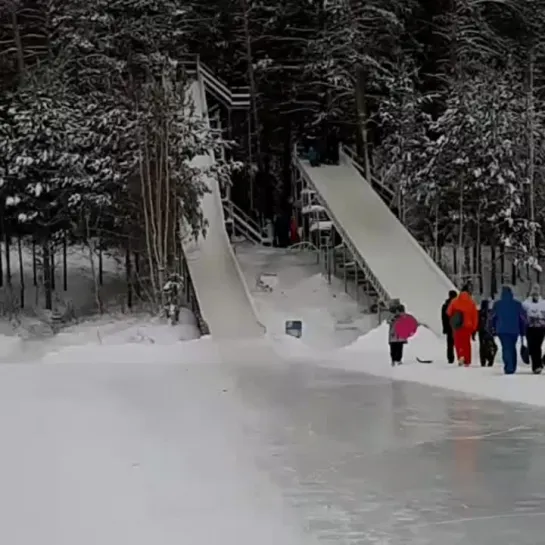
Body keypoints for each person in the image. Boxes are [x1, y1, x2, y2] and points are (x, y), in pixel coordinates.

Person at [491, 285, 526, 375]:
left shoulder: (497, 304)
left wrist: (492, 328)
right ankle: (512, 366)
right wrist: (523, 330)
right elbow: (523, 318)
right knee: (512, 347)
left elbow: (492, 318)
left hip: (502, 329)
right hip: (514, 330)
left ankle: (509, 367)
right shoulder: (517, 304)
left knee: (506, 348)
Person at [447, 284, 478, 366]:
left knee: (458, 342)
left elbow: (448, 312)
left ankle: (461, 356)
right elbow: (475, 316)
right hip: (468, 326)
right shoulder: (471, 302)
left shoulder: (455, 301)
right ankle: (467, 360)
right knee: (466, 343)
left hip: (458, 326)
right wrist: (474, 328)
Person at [522, 283, 545, 374]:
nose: (535, 295)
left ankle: (537, 366)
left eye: (537, 293)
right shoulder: (526, 304)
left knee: (537, 347)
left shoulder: (543, 303)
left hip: (540, 328)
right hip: (530, 328)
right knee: (532, 347)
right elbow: (522, 316)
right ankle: (537, 364)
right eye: (534, 293)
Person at [478, 299, 497, 367]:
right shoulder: (490, 312)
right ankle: (490, 358)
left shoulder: (479, 312)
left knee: (482, 346)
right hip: (489, 331)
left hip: (481, 331)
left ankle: (483, 361)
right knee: (492, 345)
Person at [388, 301, 407, 366]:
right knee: (393, 348)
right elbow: (389, 321)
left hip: (400, 336)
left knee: (399, 348)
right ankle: (393, 360)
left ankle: (398, 360)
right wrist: (394, 318)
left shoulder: (403, 316)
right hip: (393, 335)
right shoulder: (392, 316)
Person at [441, 290, 457, 363]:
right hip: (457, 326)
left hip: (448, 327)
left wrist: (444, 328)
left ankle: (450, 358)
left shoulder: (445, 305)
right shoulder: (457, 304)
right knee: (458, 342)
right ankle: (460, 356)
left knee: (450, 344)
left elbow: (443, 318)